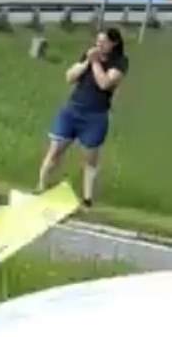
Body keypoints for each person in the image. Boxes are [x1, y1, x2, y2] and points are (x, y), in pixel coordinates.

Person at [37, 27, 129, 207]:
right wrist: (87, 61)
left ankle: (87, 198)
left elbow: (105, 83)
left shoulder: (120, 62)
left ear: (113, 43)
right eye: (98, 41)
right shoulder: (88, 55)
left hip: (95, 115)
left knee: (90, 157)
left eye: (103, 42)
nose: (99, 45)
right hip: (73, 109)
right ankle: (40, 186)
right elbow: (69, 77)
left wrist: (95, 63)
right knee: (55, 150)